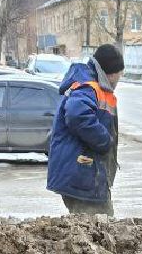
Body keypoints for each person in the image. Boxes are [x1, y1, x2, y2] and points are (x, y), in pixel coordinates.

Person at [46, 44, 124, 217]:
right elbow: (76, 115)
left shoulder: (93, 85)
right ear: (111, 73)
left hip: (86, 175)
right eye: (120, 73)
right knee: (101, 224)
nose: (120, 78)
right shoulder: (89, 87)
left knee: (97, 225)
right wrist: (105, 141)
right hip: (82, 175)